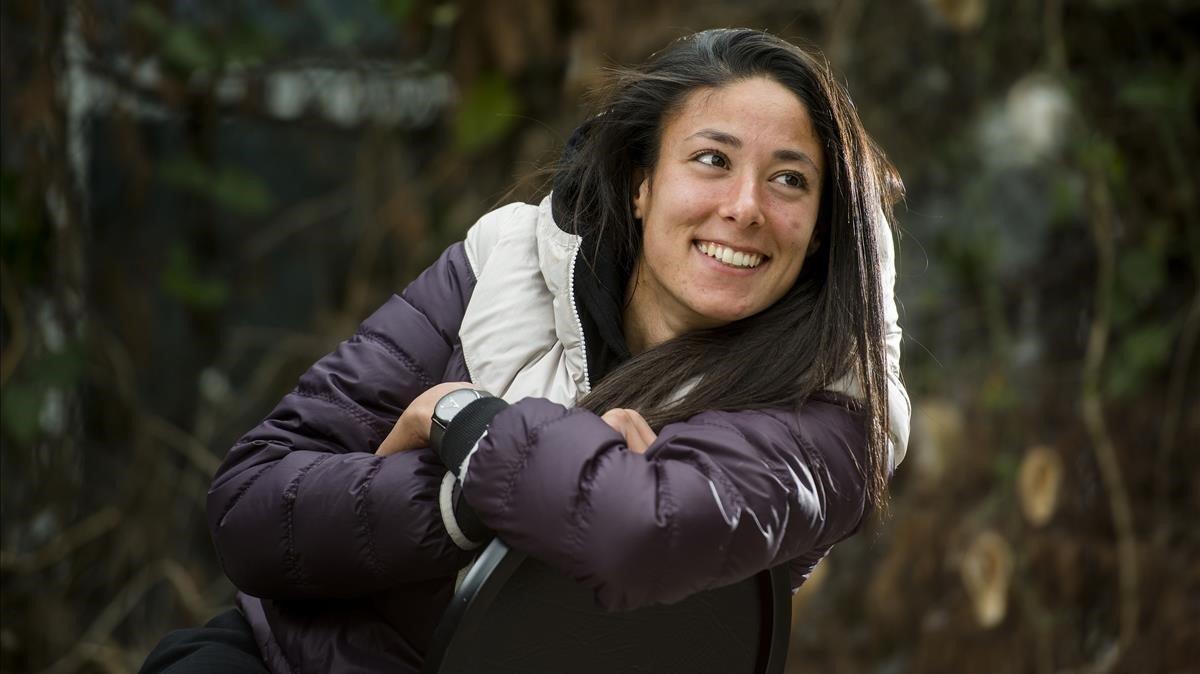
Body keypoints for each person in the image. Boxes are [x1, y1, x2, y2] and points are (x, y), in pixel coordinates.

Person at [142, 27, 910, 673]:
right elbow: (250, 506)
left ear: (818, 233)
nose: (745, 208)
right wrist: (458, 503)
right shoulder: (506, 261)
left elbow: (634, 531)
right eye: (712, 159)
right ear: (641, 183)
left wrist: (463, 418)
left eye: (789, 180)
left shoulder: (836, 410)